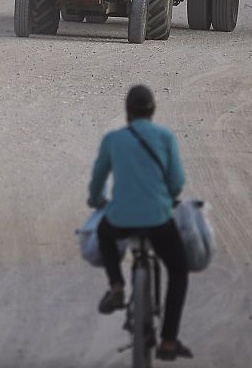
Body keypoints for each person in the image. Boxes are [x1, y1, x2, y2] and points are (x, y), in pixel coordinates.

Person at [88, 85, 192, 362]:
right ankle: (168, 341)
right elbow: (177, 183)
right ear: (153, 111)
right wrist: (166, 198)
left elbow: (98, 179)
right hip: (158, 219)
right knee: (179, 270)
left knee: (103, 231)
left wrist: (95, 200)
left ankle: (116, 286)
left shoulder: (113, 139)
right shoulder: (165, 137)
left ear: (127, 113)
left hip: (120, 218)